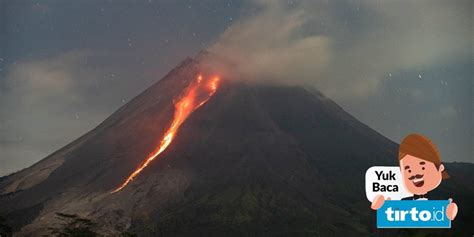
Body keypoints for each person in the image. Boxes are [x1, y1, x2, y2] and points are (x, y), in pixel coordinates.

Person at [370, 134, 458, 220]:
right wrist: (383, 207)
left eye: (422, 167)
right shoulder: (403, 199)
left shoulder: (442, 196)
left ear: (440, 167)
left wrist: (448, 212)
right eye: (408, 169)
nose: (414, 174)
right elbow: (391, 213)